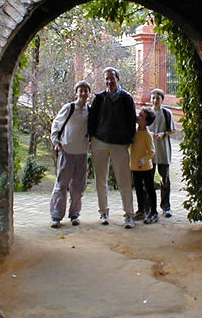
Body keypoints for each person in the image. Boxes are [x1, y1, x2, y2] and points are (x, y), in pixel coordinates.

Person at [88, 67, 137, 228]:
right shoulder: (99, 98)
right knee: (101, 179)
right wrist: (91, 139)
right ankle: (103, 212)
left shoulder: (126, 98)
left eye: (112, 78)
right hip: (100, 141)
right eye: (107, 78)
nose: (109, 81)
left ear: (118, 79)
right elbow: (92, 120)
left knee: (124, 180)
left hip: (120, 143)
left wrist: (129, 139)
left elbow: (131, 120)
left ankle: (129, 214)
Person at [49, 80, 91, 228]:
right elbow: (57, 123)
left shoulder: (90, 110)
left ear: (89, 93)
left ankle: (74, 214)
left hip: (82, 153)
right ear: (76, 92)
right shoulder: (69, 108)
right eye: (81, 91)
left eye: (86, 91)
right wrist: (56, 140)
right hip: (67, 151)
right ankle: (56, 216)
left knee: (78, 187)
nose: (83, 93)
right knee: (61, 185)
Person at [147, 88, 176, 217]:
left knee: (165, 179)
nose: (155, 100)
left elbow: (172, 130)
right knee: (148, 180)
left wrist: (163, 134)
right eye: (153, 98)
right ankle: (148, 207)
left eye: (157, 98)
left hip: (163, 150)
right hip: (150, 150)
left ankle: (166, 207)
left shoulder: (166, 113)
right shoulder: (147, 113)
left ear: (162, 100)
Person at [130, 107, 158, 224]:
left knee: (150, 189)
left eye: (141, 116)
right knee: (138, 189)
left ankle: (153, 212)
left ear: (146, 121)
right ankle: (141, 210)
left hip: (146, 168)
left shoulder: (147, 134)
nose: (138, 117)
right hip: (134, 166)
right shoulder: (134, 132)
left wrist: (144, 160)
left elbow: (151, 151)